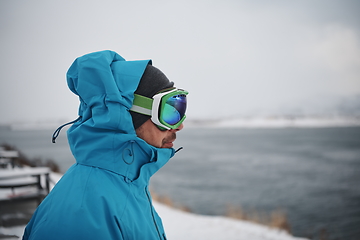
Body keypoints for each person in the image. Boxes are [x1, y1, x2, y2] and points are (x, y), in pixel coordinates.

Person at [22, 50, 188, 240]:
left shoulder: (127, 184)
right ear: (127, 115)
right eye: (169, 111)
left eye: (180, 107)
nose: (180, 126)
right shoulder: (83, 213)